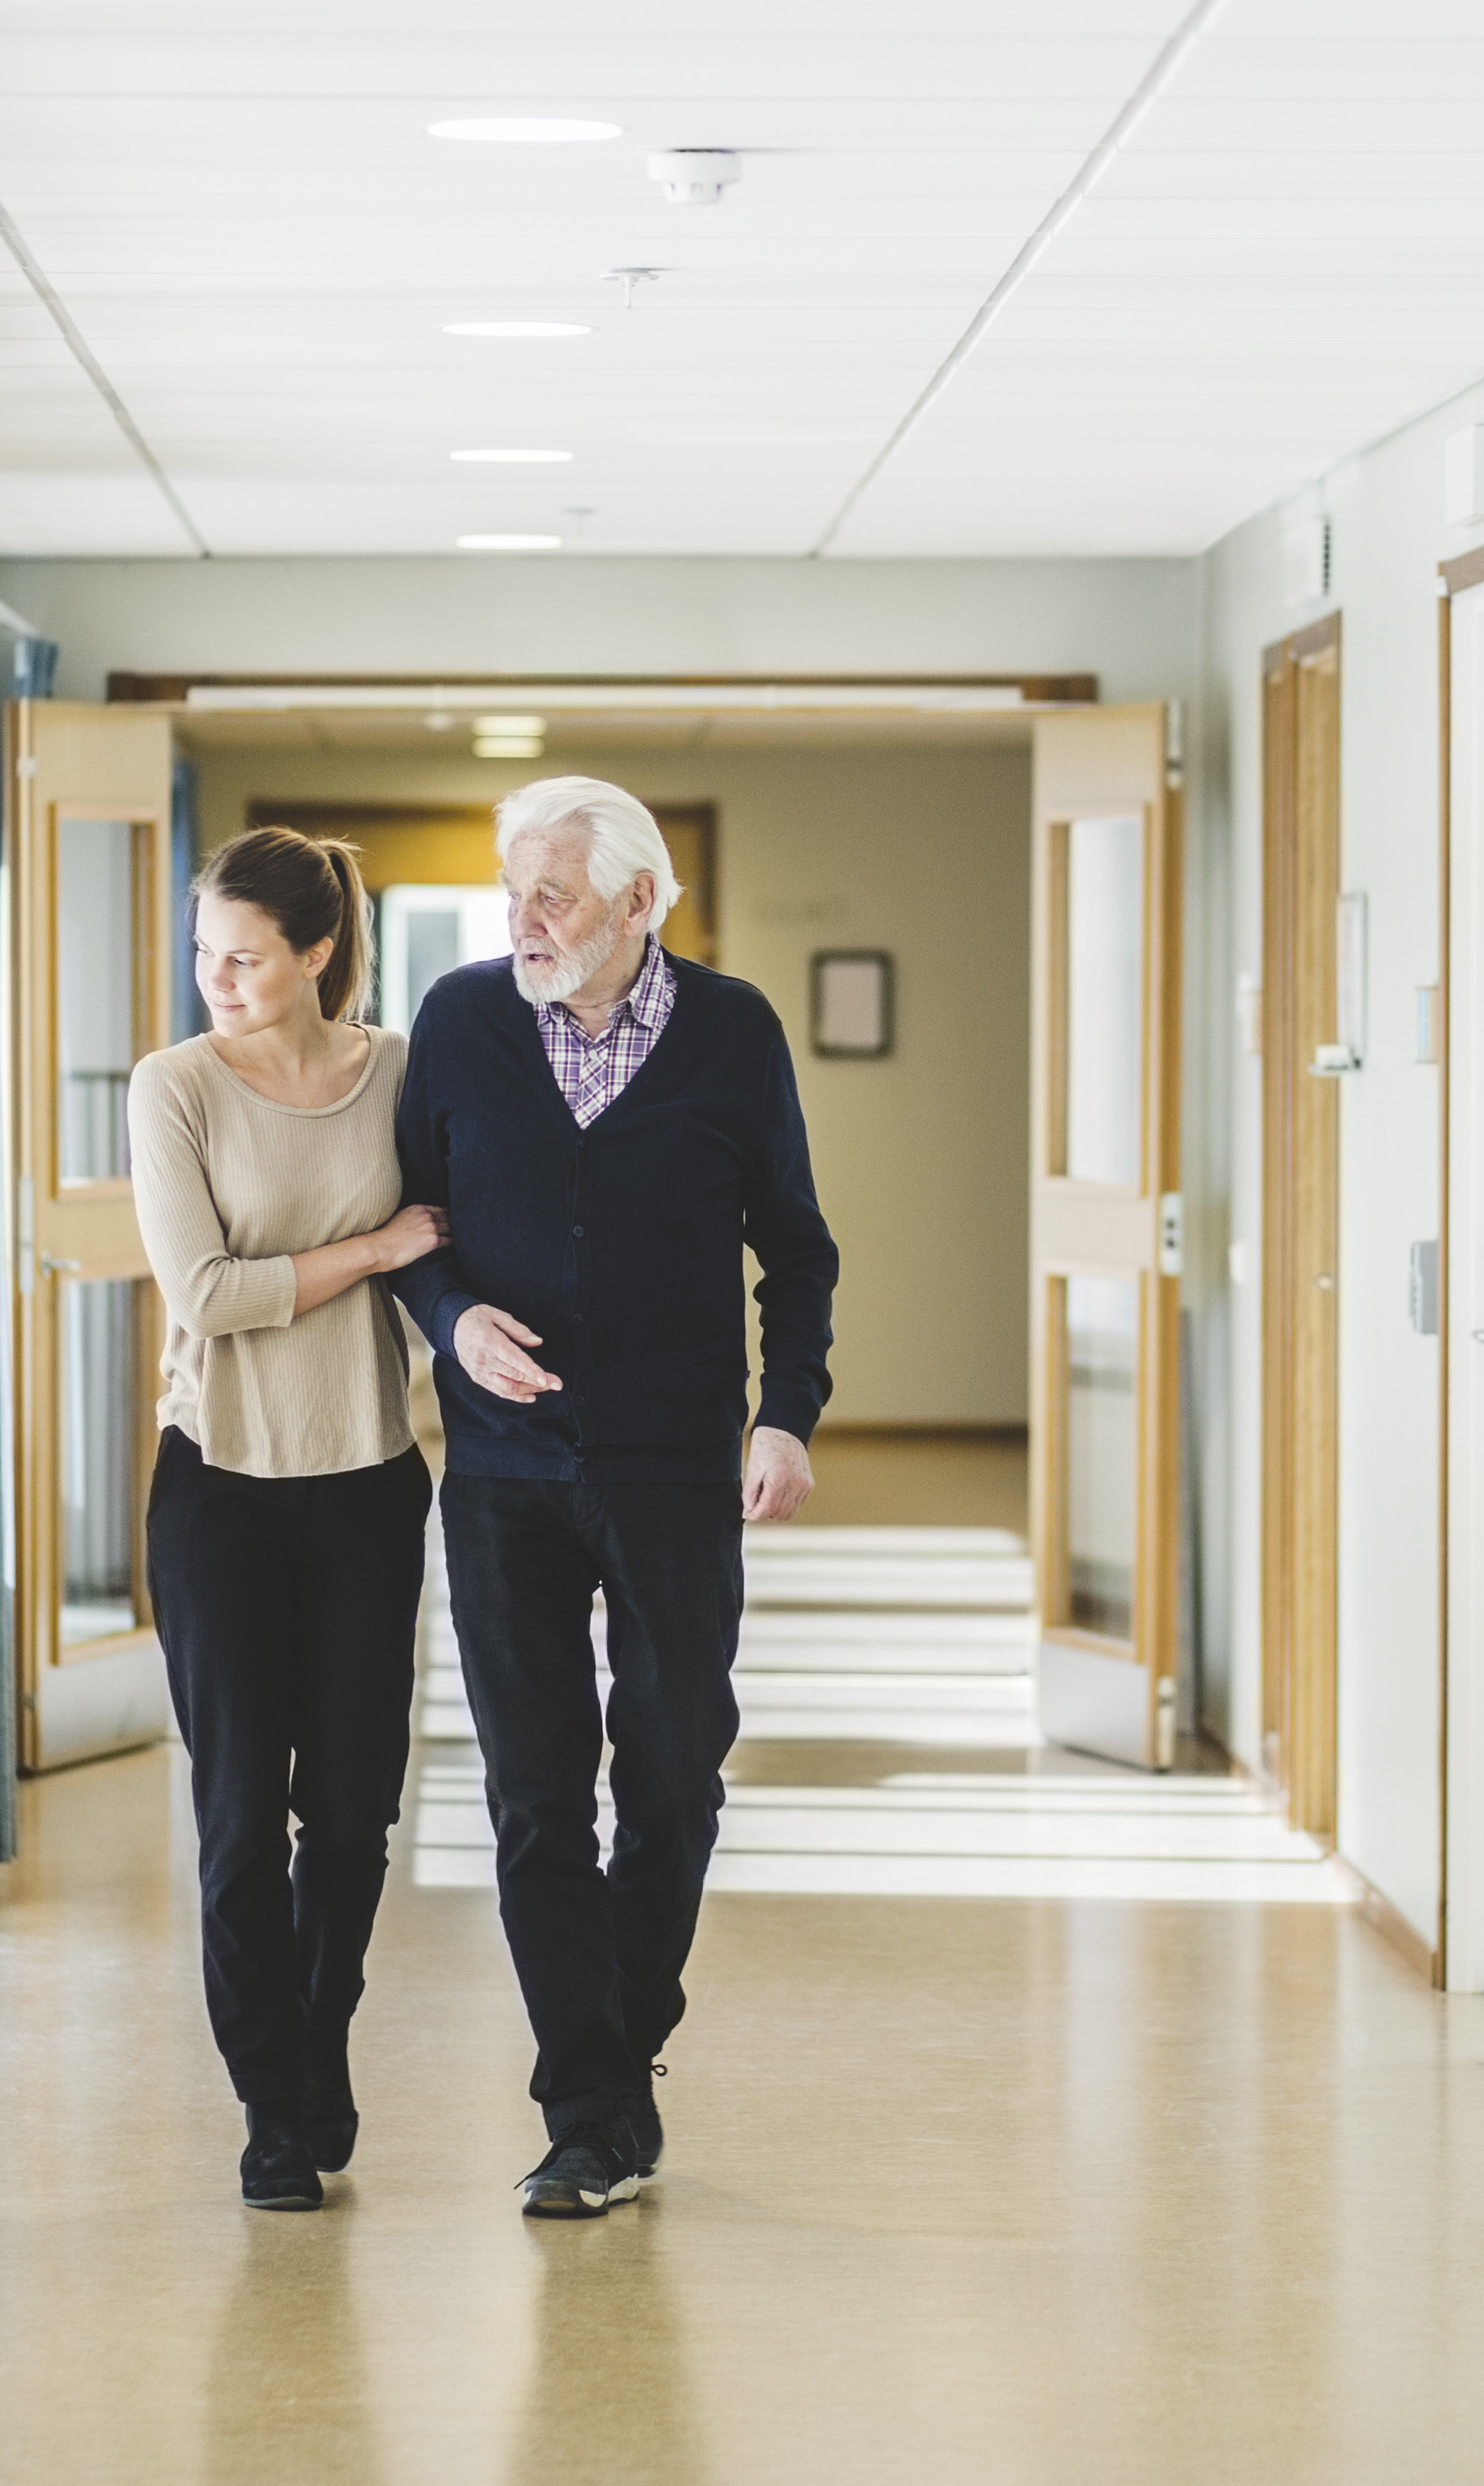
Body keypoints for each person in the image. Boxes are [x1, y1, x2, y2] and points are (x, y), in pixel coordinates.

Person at [388, 776, 838, 2219]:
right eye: (514, 890)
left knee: (672, 1775)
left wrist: (787, 1414)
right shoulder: (461, 1021)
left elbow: (799, 1250)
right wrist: (451, 1317)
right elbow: (410, 1230)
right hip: (504, 1473)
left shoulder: (732, 1032)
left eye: (555, 897)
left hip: (670, 1467)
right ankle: (589, 2108)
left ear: (639, 904)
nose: (523, 920)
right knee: (531, 1796)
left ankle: (618, 2055)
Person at [127, 828, 444, 2213]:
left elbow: (464, 1232)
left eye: (244, 957)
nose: (217, 980)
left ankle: (321, 2048)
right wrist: (373, 1251)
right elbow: (205, 1293)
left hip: (371, 1479)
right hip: (222, 1490)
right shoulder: (175, 1087)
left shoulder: (402, 1079)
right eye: (204, 954)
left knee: (358, 1816)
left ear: (318, 955)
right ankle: (274, 2104)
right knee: (245, 1817)